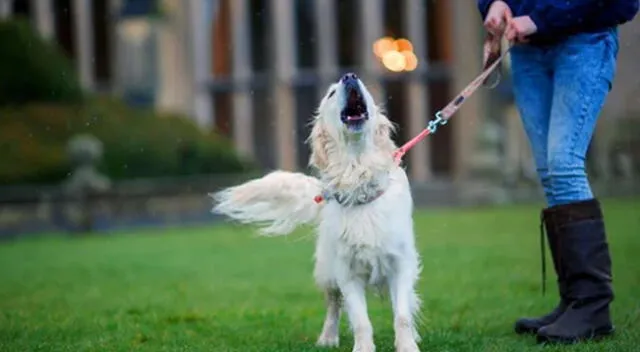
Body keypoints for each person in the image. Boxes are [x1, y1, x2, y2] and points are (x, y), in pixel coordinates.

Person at [476, 0, 639, 345]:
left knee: (564, 165)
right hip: (527, 54)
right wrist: (494, 3)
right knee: (550, 172)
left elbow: (625, 4)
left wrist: (538, 19)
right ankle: (574, 300)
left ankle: (593, 306)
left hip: (584, 45)